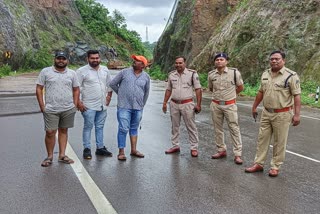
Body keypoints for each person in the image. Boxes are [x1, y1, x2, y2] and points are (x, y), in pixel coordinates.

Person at [245, 50, 301, 177]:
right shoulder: (266, 74)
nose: (274, 61)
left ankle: (275, 166)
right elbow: (261, 92)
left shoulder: (291, 76)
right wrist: (254, 107)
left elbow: (297, 96)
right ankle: (258, 163)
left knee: (279, 141)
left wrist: (297, 115)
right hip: (266, 112)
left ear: (283, 60)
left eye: (277, 59)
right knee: (262, 139)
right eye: (272, 59)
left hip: (282, 114)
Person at [36, 51, 80, 167]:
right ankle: (49, 156)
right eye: (59, 58)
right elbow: (39, 88)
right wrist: (42, 105)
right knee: (50, 132)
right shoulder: (45, 72)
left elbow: (76, 89)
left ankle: (62, 155)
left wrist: (75, 105)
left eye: (63, 59)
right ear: (55, 59)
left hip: (68, 108)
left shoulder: (72, 73)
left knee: (64, 130)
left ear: (67, 60)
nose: (61, 61)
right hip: (51, 108)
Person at [109, 55, 150, 161]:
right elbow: (113, 84)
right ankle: (121, 152)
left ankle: (134, 150)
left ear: (143, 65)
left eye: (137, 61)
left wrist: (142, 105)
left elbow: (146, 92)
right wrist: (121, 94)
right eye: (135, 60)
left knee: (134, 129)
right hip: (124, 106)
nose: (134, 61)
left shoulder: (146, 77)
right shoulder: (124, 72)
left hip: (138, 107)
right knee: (123, 128)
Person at [208, 53, 244, 164]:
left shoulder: (234, 73)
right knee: (218, 129)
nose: (219, 61)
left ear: (226, 61)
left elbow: (240, 87)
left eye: (221, 59)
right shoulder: (211, 75)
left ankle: (237, 154)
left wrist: (231, 96)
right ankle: (221, 150)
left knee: (234, 128)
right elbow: (211, 88)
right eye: (217, 60)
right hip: (216, 104)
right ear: (215, 62)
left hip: (230, 105)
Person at [77, 50, 113, 159]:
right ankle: (87, 149)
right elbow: (76, 88)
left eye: (97, 58)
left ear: (99, 58)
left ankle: (100, 148)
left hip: (102, 105)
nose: (95, 60)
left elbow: (110, 84)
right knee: (88, 127)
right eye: (92, 58)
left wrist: (109, 97)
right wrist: (79, 103)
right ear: (87, 59)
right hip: (88, 105)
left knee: (100, 127)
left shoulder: (105, 70)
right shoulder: (81, 71)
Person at [163, 56, 202, 157]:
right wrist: (164, 103)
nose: (178, 65)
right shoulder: (171, 75)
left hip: (187, 104)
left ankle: (194, 148)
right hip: (174, 104)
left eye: (180, 63)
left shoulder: (192, 74)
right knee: (174, 126)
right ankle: (175, 145)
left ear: (185, 63)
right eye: (176, 63)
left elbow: (198, 89)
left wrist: (198, 104)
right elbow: (168, 90)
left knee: (191, 126)